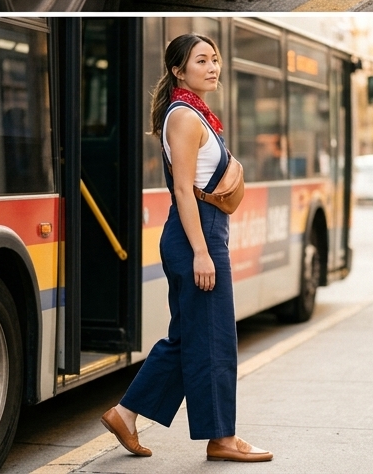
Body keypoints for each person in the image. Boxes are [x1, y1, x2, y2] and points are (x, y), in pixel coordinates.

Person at [100, 33, 272, 463]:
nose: (213, 67)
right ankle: (222, 438)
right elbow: (182, 189)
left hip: (203, 232)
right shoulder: (184, 117)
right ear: (179, 70)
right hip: (195, 234)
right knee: (214, 339)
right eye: (201, 61)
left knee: (188, 337)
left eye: (215, 59)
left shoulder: (195, 114)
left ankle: (125, 413)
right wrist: (201, 251)